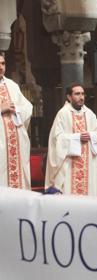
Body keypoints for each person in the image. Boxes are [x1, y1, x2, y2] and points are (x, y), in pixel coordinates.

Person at [45, 84, 97, 197]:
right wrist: (76, 138)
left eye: (83, 94)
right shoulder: (63, 113)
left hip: (90, 162)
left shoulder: (89, 113)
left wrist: (92, 135)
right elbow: (57, 138)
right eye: (77, 94)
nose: (81, 97)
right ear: (69, 97)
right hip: (70, 163)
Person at [0, 52, 32, 189]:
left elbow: (27, 107)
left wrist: (16, 110)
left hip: (16, 143)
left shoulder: (12, 85)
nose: (1, 67)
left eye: (2, 63)